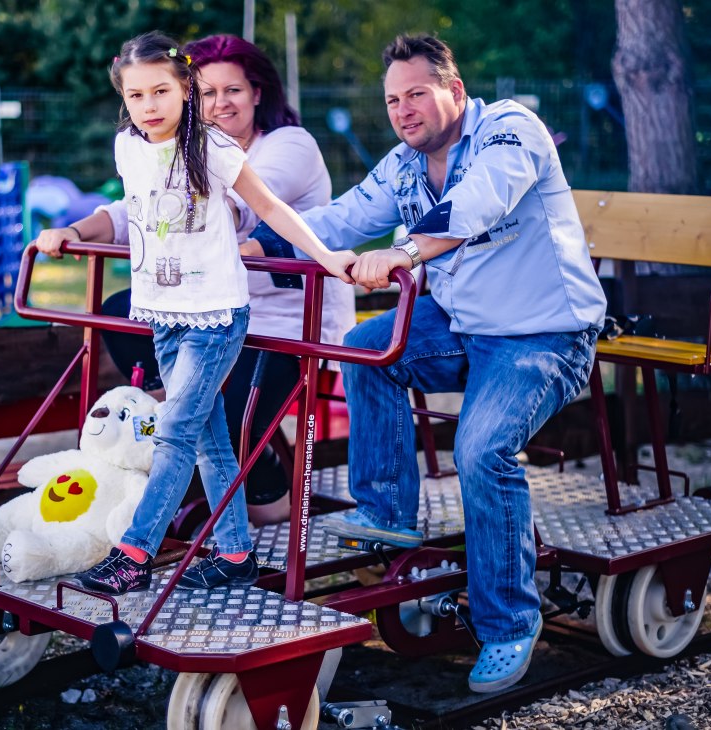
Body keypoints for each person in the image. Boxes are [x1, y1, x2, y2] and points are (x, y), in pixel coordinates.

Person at [250, 35, 606, 692]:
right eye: (393, 99)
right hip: (464, 325)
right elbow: (347, 215)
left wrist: (406, 253)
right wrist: (257, 241)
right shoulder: (406, 163)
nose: (404, 110)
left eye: (417, 93)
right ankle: (387, 509)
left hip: (542, 335)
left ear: (456, 91)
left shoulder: (508, 132)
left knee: (479, 451)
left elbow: (479, 206)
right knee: (365, 349)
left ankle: (508, 622)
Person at [34, 30, 356, 596]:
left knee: (176, 433)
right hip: (163, 310)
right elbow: (130, 208)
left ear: (185, 88)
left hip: (216, 315)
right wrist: (71, 231)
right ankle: (235, 553)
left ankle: (133, 554)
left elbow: (266, 206)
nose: (148, 107)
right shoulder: (129, 147)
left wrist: (327, 257)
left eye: (161, 92)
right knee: (209, 437)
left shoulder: (215, 148)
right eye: (135, 96)